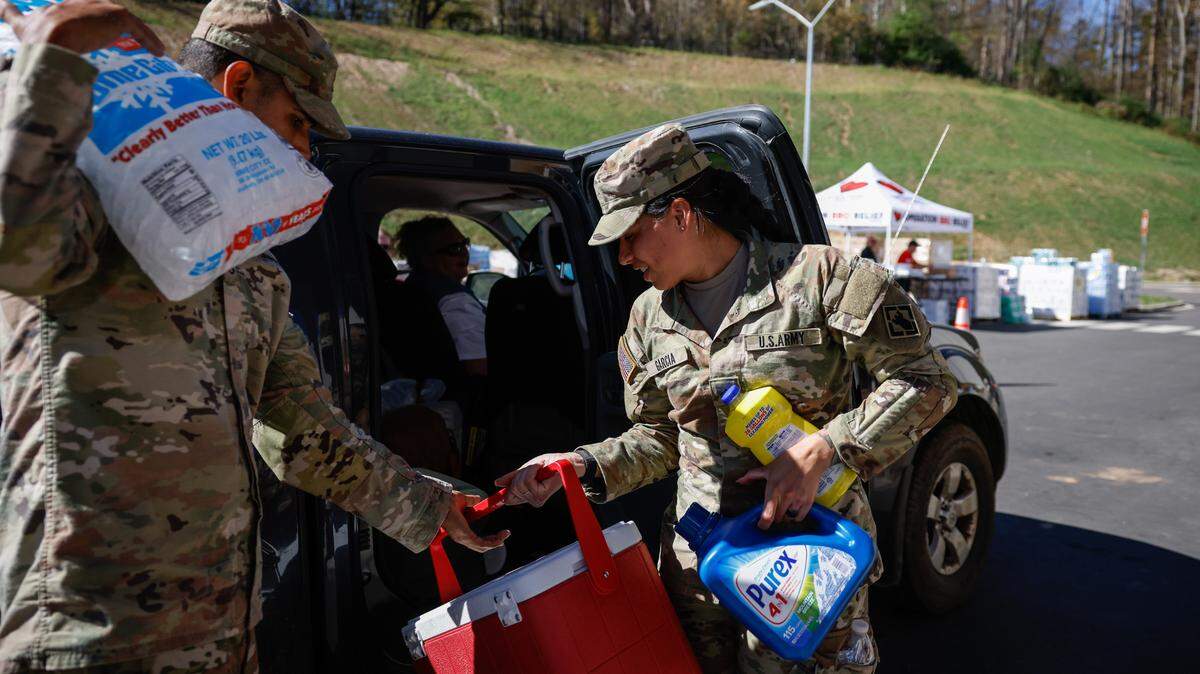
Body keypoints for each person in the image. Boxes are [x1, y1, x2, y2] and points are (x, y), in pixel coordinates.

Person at [0, 2, 505, 672]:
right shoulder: (91, 190)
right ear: (237, 87)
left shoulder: (251, 272)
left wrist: (435, 507)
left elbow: (307, 434)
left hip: (220, 637)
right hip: (87, 636)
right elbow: (16, 249)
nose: (302, 150)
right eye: (297, 122)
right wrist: (53, 62)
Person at [498, 124, 958, 673]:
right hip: (701, 571)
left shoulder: (822, 279)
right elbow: (659, 441)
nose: (622, 257)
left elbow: (928, 382)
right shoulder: (648, 318)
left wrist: (823, 450)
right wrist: (579, 465)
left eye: (631, 236)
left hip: (808, 559)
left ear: (681, 214)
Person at [397, 216, 487, 378]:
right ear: (427, 259)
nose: (464, 253)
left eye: (464, 244)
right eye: (454, 249)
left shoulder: (414, 285)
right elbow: (478, 368)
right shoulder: (457, 301)